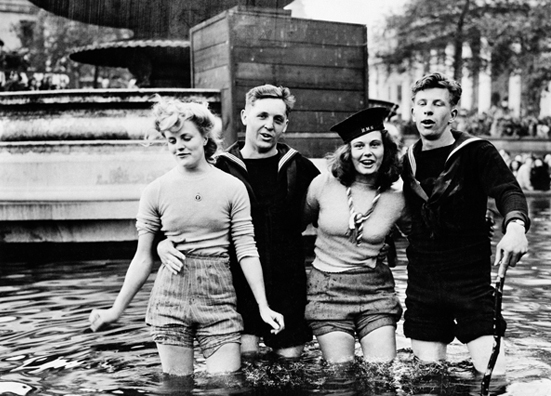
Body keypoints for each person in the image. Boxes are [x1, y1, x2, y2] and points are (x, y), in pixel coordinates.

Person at [89, 97, 284, 375]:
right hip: (170, 299)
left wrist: (263, 306)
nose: (179, 146)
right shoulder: (155, 190)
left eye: (186, 137)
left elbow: (246, 250)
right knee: (177, 394)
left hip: (219, 299)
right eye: (171, 140)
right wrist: (115, 310)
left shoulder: (233, 187)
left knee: (225, 391)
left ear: (205, 136)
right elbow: (142, 258)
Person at [158, 85, 320, 359]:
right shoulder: (218, 168)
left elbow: (332, 209)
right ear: (245, 116)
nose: (269, 125)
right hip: (234, 288)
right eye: (262, 116)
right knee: (245, 370)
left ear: (285, 125)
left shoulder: (299, 168)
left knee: (291, 370)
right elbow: (181, 213)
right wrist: (162, 245)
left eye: (277, 119)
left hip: (288, 287)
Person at [401, 72, 529, 375]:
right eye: (422, 104)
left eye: (437, 103)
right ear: (414, 112)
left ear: (453, 113)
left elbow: (508, 191)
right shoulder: (406, 160)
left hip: (470, 281)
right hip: (423, 282)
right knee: (427, 384)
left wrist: (515, 227)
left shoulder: (477, 152)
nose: (429, 110)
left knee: (494, 379)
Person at [303, 107, 411, 364]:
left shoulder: (397, 196)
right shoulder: (323, 184)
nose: (367, 152)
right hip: (328, 290)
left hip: (375, 291)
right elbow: (291, 227)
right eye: (359, 146)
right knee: (340, 379)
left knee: (381, 376)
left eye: (375, 144)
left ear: (385, 149)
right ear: (348, 152)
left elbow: (422, 238)